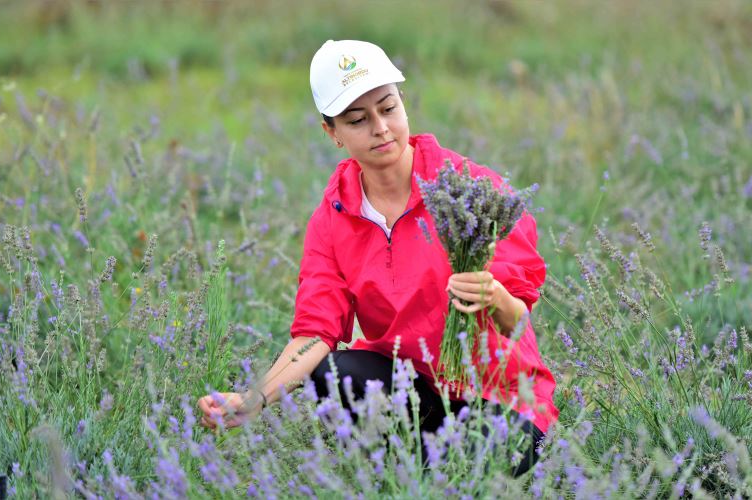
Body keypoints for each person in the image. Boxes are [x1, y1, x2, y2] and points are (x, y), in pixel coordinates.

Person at [198, 39, 558, 477]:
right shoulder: (332, 219)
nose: (381, 128)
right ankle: (414, 466)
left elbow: (517, 321)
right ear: (332, 132)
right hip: (416, 394)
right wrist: (254, 400)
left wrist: (495, 295)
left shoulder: (473, 190)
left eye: (388, 108)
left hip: (501, 399)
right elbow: (315, 333)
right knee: (335, 372)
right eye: (358, 119)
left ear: (402, 102)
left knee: (469, 468)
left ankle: (424, 470)